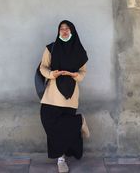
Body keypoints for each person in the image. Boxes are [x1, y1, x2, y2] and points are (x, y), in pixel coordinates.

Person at [39, 20, 90, 173]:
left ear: (72, 31)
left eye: (67, 28)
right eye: (61, 28)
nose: (64, 31)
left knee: (63, 131)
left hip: (70, 95)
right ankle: (79, 121)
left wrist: (75, 75)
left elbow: (83, 73)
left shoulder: (79, 51)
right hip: (52, 93)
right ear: (58, 31)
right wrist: (51, 74)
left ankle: (61, 160)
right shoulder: (51, 48)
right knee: (48, 120)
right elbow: (43, 66)